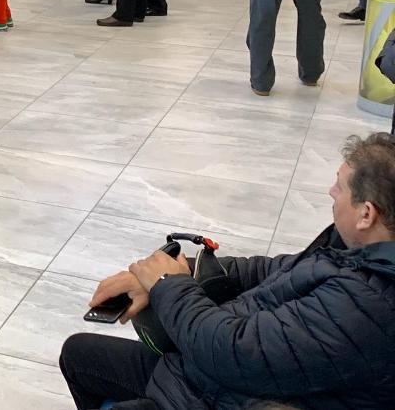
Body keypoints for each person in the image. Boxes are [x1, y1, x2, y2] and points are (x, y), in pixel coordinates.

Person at [60, 132, 395, 410]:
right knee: (78, 355)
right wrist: (184, 271)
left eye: (340, 186)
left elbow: (237, 352)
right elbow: (273, 270)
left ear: (366, 214)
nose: (331, 192)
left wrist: (168, 285)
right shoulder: (356, 249)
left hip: (222, 390)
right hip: (202, 375)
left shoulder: (368, 305)